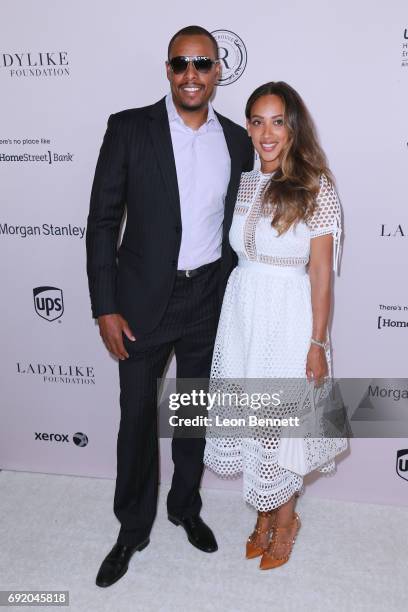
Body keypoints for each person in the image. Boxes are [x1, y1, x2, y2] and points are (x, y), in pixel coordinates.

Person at [86, 25, 253, 587]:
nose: (191, 74)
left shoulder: (236, 140)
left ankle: (185, 506)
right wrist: (104, 305)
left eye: (202, 63)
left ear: (216, 72)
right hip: (139, 303)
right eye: (181, 63)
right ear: (167, 69)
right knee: (136, 416)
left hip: (208, 296)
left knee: (192, 412)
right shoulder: (129, 128)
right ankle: (132, 529)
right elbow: (103, 222)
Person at [204, 81, 342, 569]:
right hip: (243, 312)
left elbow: (322, 271)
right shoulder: (242, 182)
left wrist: (317, 342)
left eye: (277, 121)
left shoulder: (314, 184)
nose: (267, 132)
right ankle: (264, 513)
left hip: (288, 316)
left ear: (292, 127)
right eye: (257, 121)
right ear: (247, 126)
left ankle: (285, 522)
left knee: (283, 427)